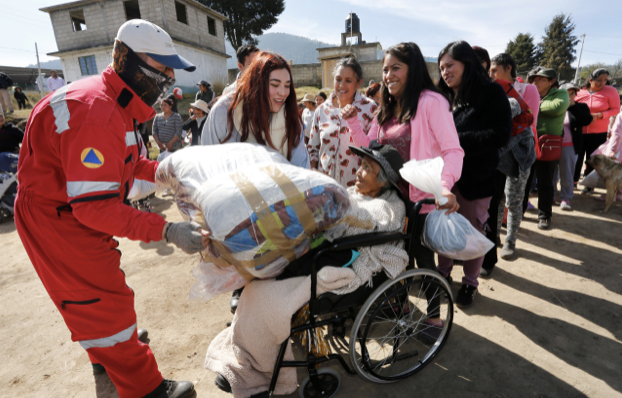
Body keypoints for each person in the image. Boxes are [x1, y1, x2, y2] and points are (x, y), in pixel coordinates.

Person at [14, 19, 206, 398]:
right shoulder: (97, 113)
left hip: (67, 208)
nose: (169, 77)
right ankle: (147, 388)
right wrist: (165, 230)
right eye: (163, 67)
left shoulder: (119, 105)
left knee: (96, 294)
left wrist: (173, 173)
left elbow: (128, 170)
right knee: (103, 299)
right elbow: (95, 207)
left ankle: (106, 352)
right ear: (130, 61)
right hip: (58, 217)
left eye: (171, 70)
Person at [208, 143, 410, 396]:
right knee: (261, 282)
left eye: (367, 168)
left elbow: (363, 225)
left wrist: (333, 213)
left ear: (383, 181)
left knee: (269, 294)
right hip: (324, 252)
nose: (359, 171)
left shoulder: (389, 207)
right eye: (362, 165)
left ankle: (256, 368)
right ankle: (248, 348)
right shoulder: (358, 193)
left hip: (345, 262)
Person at [342, 42, 463, 326]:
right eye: (385, 69)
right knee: (393, 256)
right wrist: (354, 125)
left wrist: (445, 187)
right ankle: (400, 306)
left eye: (396, 68)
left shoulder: (432, 102)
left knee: (423, 261)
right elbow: (372, 152)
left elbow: (453, 151)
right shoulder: (387, 106)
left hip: (420, 201)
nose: (388, 75)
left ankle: (434, 318)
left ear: (414, 69)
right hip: (390, 202)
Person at [201, 51, 309, 314]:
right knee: (247, 283)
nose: (282, 93)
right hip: (234, 217)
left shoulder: (290, 120)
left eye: (287, 86)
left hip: (278, 216)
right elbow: (207, 167)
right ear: (257, 82)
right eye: (274, 85)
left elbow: (301, 169)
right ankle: (244, 301)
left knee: (279, 288)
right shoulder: (223, 115)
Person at [436, 41, 512, 307]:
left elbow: (501, 134)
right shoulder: (441, 97)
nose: (445, 71)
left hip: (475, 179)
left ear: (466, 64)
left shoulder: (490, 93)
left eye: (450, 65)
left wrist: (456, 140)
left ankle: (470, 283)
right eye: (441, 67)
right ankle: (442, 274)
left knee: (473, 233)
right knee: (443, 229)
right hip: (445, 179)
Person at [481, 53, 536, 270]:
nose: (491, 75)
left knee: (513, 200)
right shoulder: (493, 92)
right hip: (499, 153)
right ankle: (494, 239)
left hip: (520, 154)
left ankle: (510, 241)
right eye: (489, 71)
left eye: (494, 70)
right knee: (496, 201)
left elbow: (527, 120)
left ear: (508, 68)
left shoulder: (524, 92)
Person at [308, 57, 378, 188]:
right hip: (324, 188)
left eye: (348, 80)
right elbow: (313, 147)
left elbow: (374, 151)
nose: (341, 85)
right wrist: (313, 171)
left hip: (357, 190)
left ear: (359, 83)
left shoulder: (370, 109)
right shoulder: (321, 110)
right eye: (338, 79)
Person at [525, 67, 569, 229]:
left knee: (545, 182)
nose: (535, 82)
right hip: (527, 141)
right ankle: (520, 210)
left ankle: (544, 215)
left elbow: (556, 107)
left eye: (540, 80)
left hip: (547, 144)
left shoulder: (561, 93)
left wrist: (533, 105)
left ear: (551, 81)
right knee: (524, 181)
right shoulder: (530, 92)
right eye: (533, 80)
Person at [575, 69, 621, 193]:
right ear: (590, 80)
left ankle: (589, 185)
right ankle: (573, 181)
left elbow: (616, 109)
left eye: (605, 80)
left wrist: (601, 115)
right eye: (599, 80)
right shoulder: (579, 91)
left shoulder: (610, 91)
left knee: (593, 158)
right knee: (576, 156)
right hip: (577, 130)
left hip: (598, 132)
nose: (602, 83)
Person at [553, 82, 592, 210]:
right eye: (566, 93)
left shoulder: (581, 106)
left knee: (567, 173)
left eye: (572, 93)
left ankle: (566, 198)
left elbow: (586, 120)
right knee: (551, 173)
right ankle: (551, 196)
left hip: (569, 146)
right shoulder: (554, 105)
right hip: (552, 145)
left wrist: (573, 106)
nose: (569, 96)